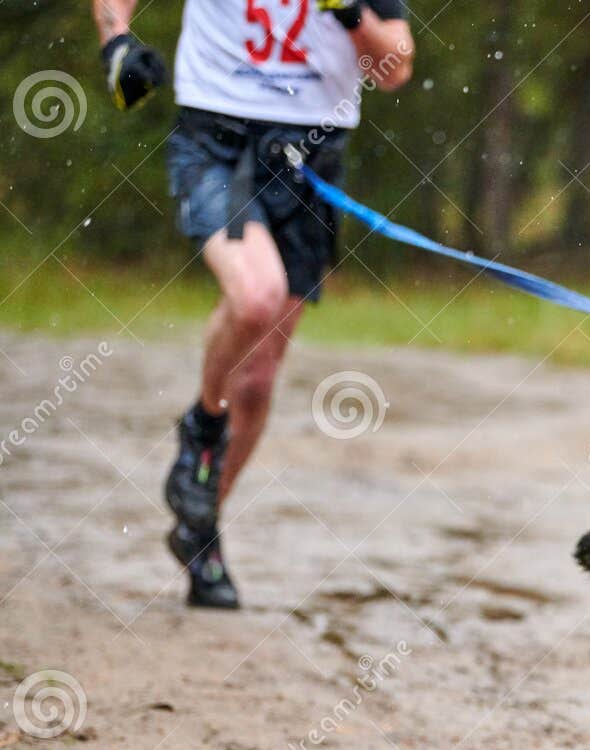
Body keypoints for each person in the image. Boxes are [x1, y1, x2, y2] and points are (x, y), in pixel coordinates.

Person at [93, 0, 414, 608]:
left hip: (310, 156)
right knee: (256, 296)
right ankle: (202, 428)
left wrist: (348, 13)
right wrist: (117, 42)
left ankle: (201, 526)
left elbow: (394, 65)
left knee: (260, 380)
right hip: (217, 142)